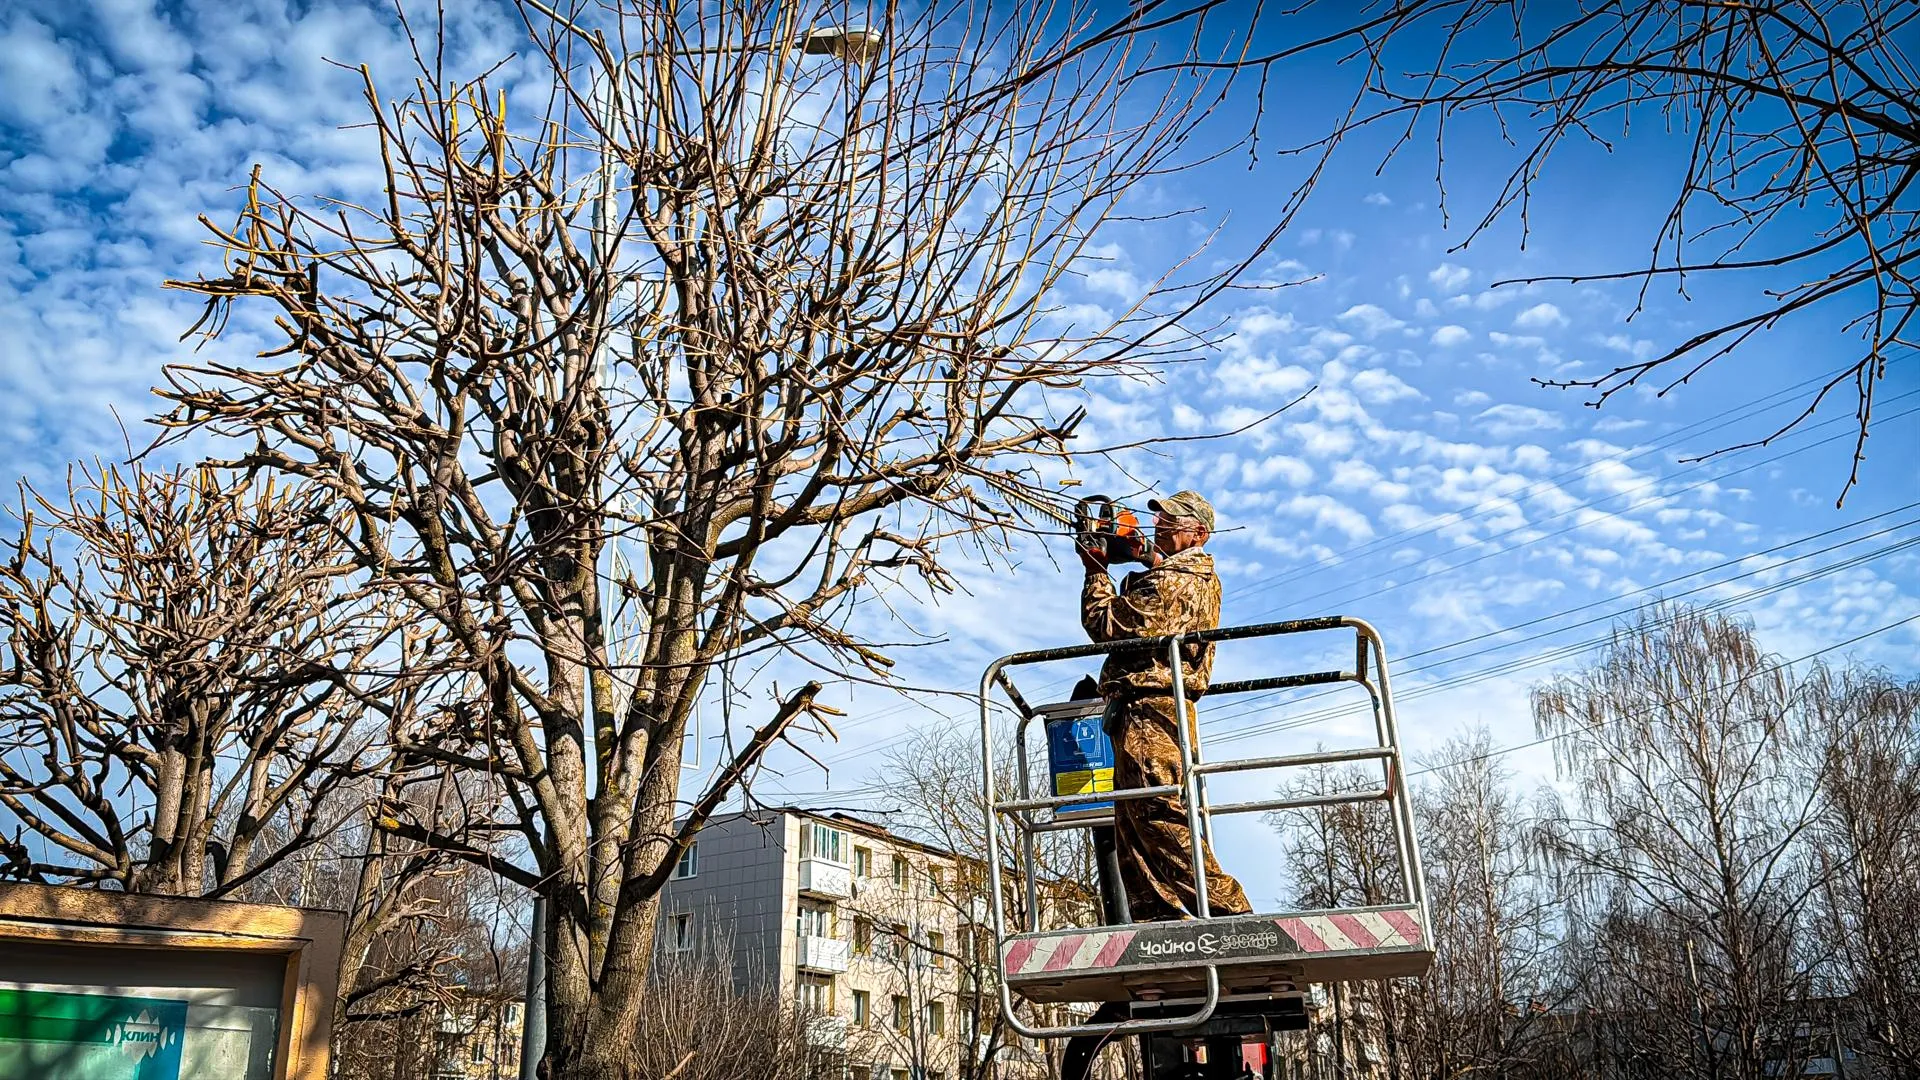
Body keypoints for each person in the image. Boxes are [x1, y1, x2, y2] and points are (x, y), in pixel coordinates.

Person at [1079, 489, 1252, 922]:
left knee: (1159, 817)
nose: (1160, 525)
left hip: (1152, 711)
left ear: (1198, 534)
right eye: (1160, 519)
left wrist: (1096, 571)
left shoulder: (1177, 582)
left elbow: (1106, 624)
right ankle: (1161, 924)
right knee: (1132, 831)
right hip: (1141, 710)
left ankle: (1233, 914)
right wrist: (1146, 559)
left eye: (1171, 521)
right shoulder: (1181, 575)